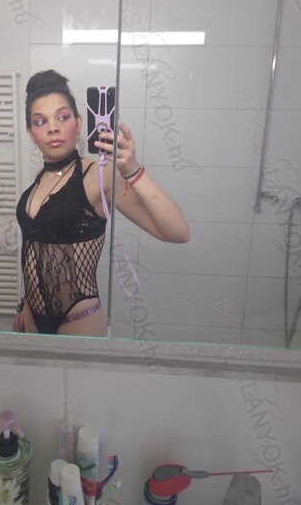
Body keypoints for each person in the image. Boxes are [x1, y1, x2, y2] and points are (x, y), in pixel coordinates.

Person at [15, 70, 190, 336]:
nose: (52, 128)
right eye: (40, 121)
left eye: (62, 117)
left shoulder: (98, 176)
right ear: (30, 132)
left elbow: (178, 232)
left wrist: (133, 171)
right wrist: (24, 305)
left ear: (78, 122)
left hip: (77, 319)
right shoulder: (41, 177)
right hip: (30, 316)